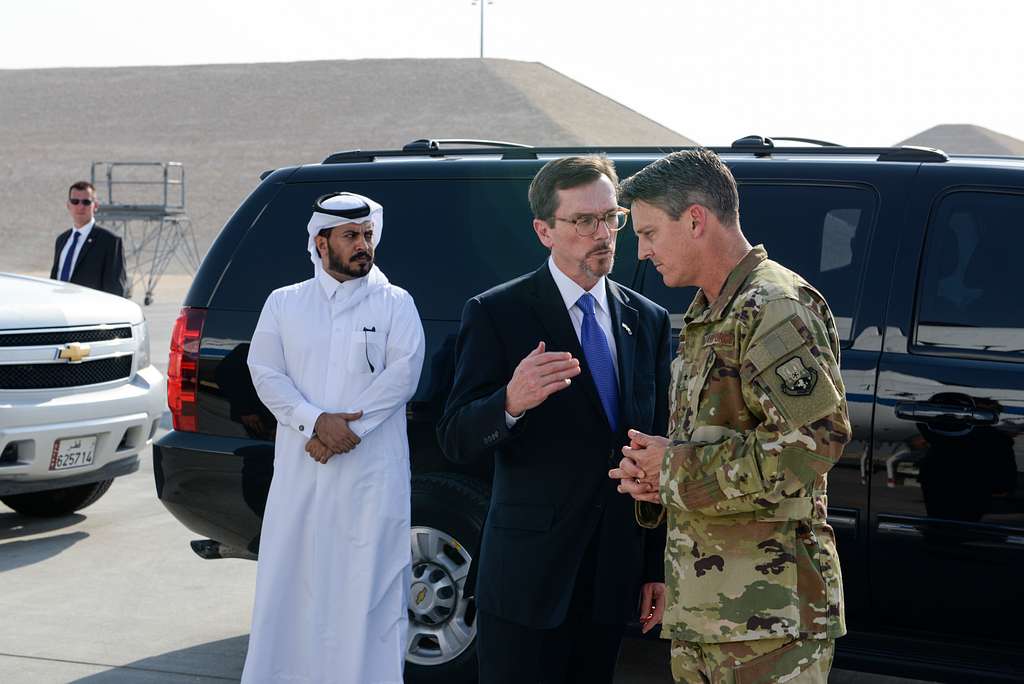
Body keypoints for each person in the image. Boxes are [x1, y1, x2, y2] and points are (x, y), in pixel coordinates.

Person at [610, 149, 851, 683]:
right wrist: (657, 474)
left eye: (649, 233)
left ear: (695, 220)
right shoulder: (709, 311)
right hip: (708, 612)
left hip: (771, 623)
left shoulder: (773, 307)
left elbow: (813, 443)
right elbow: (717, 440)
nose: (642, 252)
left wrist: (672, 469)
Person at [438, 156, 672, 684]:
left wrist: (653, 567)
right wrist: (510, 402)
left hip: (611, 576)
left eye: (611, 217)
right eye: (584, 221)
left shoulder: (648, 320)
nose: (603, 233)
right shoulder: (498, 313)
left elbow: (656, 450)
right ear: (544, 230)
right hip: (528, 578)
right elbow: (455, 437)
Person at [241, 192, 425, 684]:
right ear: (321, 243)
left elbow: (401, 377)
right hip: (302, 476)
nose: (363, 245)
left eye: (367, 235)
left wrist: (346, 430)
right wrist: (313, 420)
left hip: (370, 480)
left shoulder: (396, 304)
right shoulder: (285, 303)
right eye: (351, 236)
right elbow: (265, 371)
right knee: (292, 587)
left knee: (367, 595)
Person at [49, 180, 127, 296]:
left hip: (89, 312)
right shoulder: (62, 240)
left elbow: (115, 290)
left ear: (95, 206)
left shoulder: (110, 242)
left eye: (86, 202)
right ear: (68, 205)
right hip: (61, 309)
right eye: (75, 201)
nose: (80, 206)